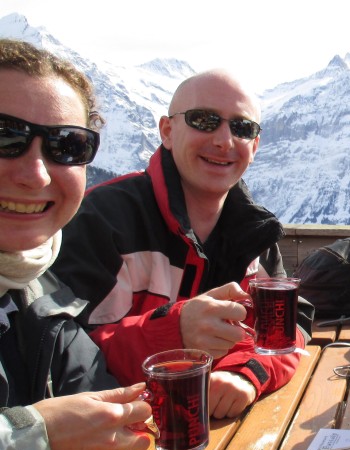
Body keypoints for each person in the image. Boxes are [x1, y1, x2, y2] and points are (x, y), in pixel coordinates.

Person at [54, 69, 314, 420]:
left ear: (254, 145)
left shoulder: (253, 232)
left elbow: (291, 328)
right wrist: (174, 333)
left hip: (211, 437)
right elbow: (61, 359)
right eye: (204, 120)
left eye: (242, 128)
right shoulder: (102, 220)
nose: (224, 140)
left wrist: (247, 374)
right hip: (119, 442)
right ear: (167, 131)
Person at [0, 39, 152, 450]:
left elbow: (108, 439)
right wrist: (30, 447)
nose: (35, 173)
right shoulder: (103, 233)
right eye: (5, 137)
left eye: (67, 145)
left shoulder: (40, 293)